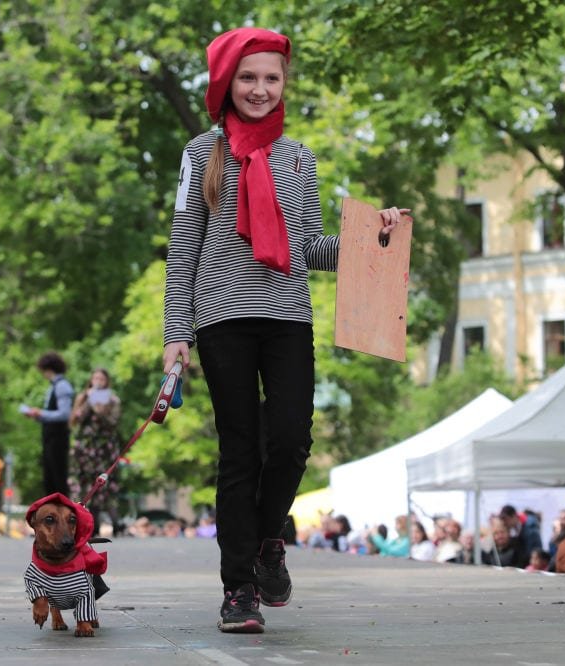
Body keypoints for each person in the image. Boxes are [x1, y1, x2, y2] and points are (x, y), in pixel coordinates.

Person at [161, 27, 407, 634]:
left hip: (288, 316)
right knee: (240, 451)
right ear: (227, 83)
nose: (260, 89)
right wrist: (175, 334)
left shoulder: (299, 158)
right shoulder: (201, 153)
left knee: (293, 437)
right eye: (248, 78)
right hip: (220, 317)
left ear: (283, 84)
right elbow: (183, 246)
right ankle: (238, 589)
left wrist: (370, 236)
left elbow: (308, 248)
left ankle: (269, 539)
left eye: (271, 78)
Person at [68, 368, 123, 532]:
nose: (98, 382)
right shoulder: (83, 397)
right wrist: (86, 402)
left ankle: (102, 522)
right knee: (81, 483)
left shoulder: (112, 399)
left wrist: (99, 407)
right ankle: (82, 522)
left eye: (101, 379)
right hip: (84, 448)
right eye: (95, 378)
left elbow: (113, 422)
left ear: (107, 382)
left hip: (104, 448)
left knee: (102, 485)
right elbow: (74, 421)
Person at [23, 352, 74, 496]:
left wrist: (41, 413)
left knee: (58, 477)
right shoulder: (52, 387)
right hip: (49, 437)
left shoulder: (62, 386)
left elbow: (64, 414)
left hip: (58, 438)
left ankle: (62, 507)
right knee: (49, 478)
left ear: (48, 369)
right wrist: (37, 416)